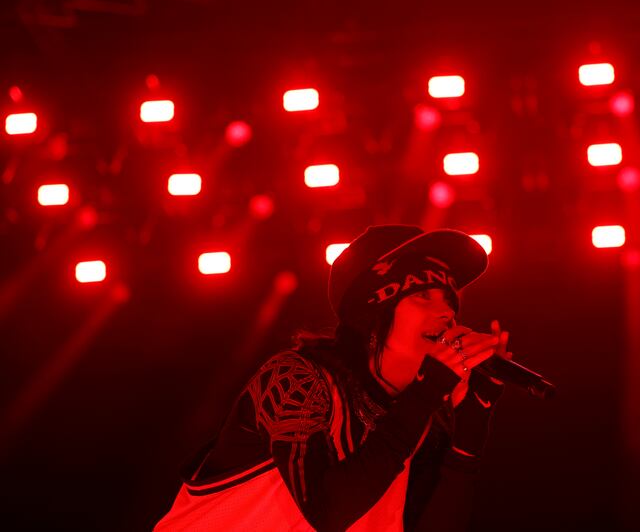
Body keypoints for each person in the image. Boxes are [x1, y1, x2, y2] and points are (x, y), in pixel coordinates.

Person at [155, 225, 512, 531]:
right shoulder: (296, 377)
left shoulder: (417, 412)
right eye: (422, 295)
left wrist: (470, 426)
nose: (448, 311)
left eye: (450, 297)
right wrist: (428, 391)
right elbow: (326, 510)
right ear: (373, 309)